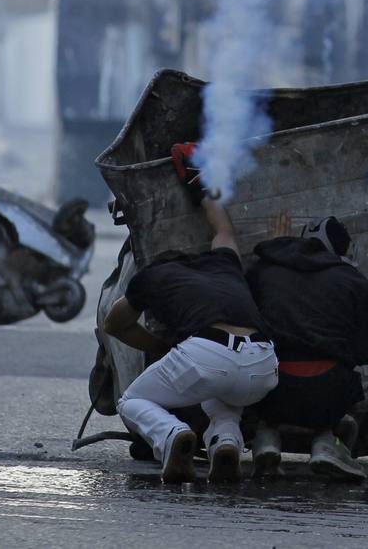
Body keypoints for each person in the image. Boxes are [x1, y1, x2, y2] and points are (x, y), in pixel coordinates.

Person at [102, 145, 278, 484]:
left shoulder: (153, 277)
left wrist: (161, 346)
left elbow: (114, 323)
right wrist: (200, 179)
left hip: (208, 354)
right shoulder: (224, 264)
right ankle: (225, 441)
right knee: (220, 393)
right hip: (262, 363)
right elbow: (223, 229)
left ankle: (172, 436)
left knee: (133, 400)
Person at [246, 213, 368, 481]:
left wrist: (273, 250)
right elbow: (365, 353)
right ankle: (326, 443)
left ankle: (266, 439)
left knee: (262, 365)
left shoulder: (262, 270)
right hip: (328, 393)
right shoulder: (356, 283)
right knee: (340, 379)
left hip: (269, 390)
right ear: (340, 250)